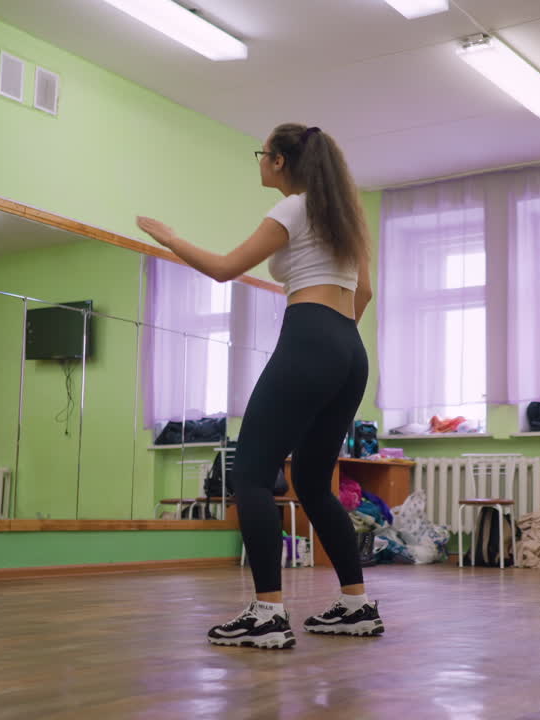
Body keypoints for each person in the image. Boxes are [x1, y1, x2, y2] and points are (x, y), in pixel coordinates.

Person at [136, 124, 383, 649]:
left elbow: (226, 269)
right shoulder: (346, 216)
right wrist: (336, 341)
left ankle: (267, 613)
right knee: (314, 483)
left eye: (261, 154)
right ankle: (357, 605)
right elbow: (364, 290)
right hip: (349, 347)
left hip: (311, 336)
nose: (259, 162)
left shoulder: (295, 207)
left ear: (277, 161)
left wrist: (171, 238)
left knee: (250, 472)